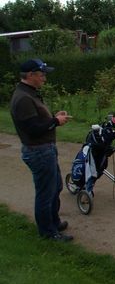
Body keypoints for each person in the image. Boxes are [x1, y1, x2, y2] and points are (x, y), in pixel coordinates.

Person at [10, 59, 73, 241]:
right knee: (46, 192)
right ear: (30, 75)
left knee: (56, 186)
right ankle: (48, 232)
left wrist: (53, 118)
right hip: (38, 151)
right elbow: (33, 129)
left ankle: (54, 222)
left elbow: (38, 121)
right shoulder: (23, 98)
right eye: (41, 74)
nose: (44, 78)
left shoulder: (30, 93)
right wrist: (55, 122)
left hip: (45, 149)